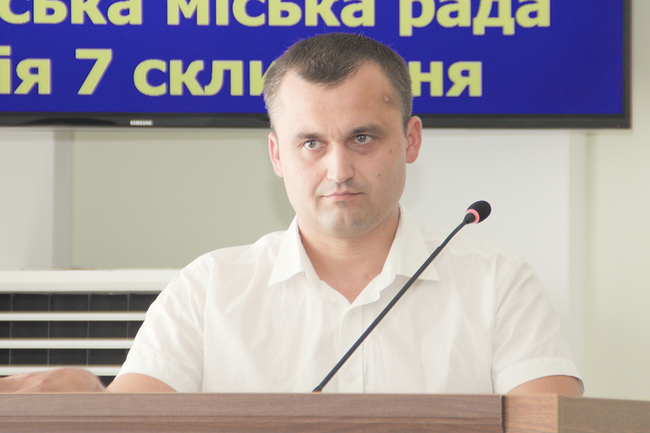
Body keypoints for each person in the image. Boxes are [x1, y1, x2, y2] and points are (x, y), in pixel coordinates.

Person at [0, 33, 582, 395]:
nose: (338, 170)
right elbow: (131, 420)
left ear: (410, 141)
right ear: (277, 154)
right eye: (311, 143)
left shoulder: (498, 283)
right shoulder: (209, 288)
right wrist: (89, 397)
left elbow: (550, 423)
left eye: (362, 138)